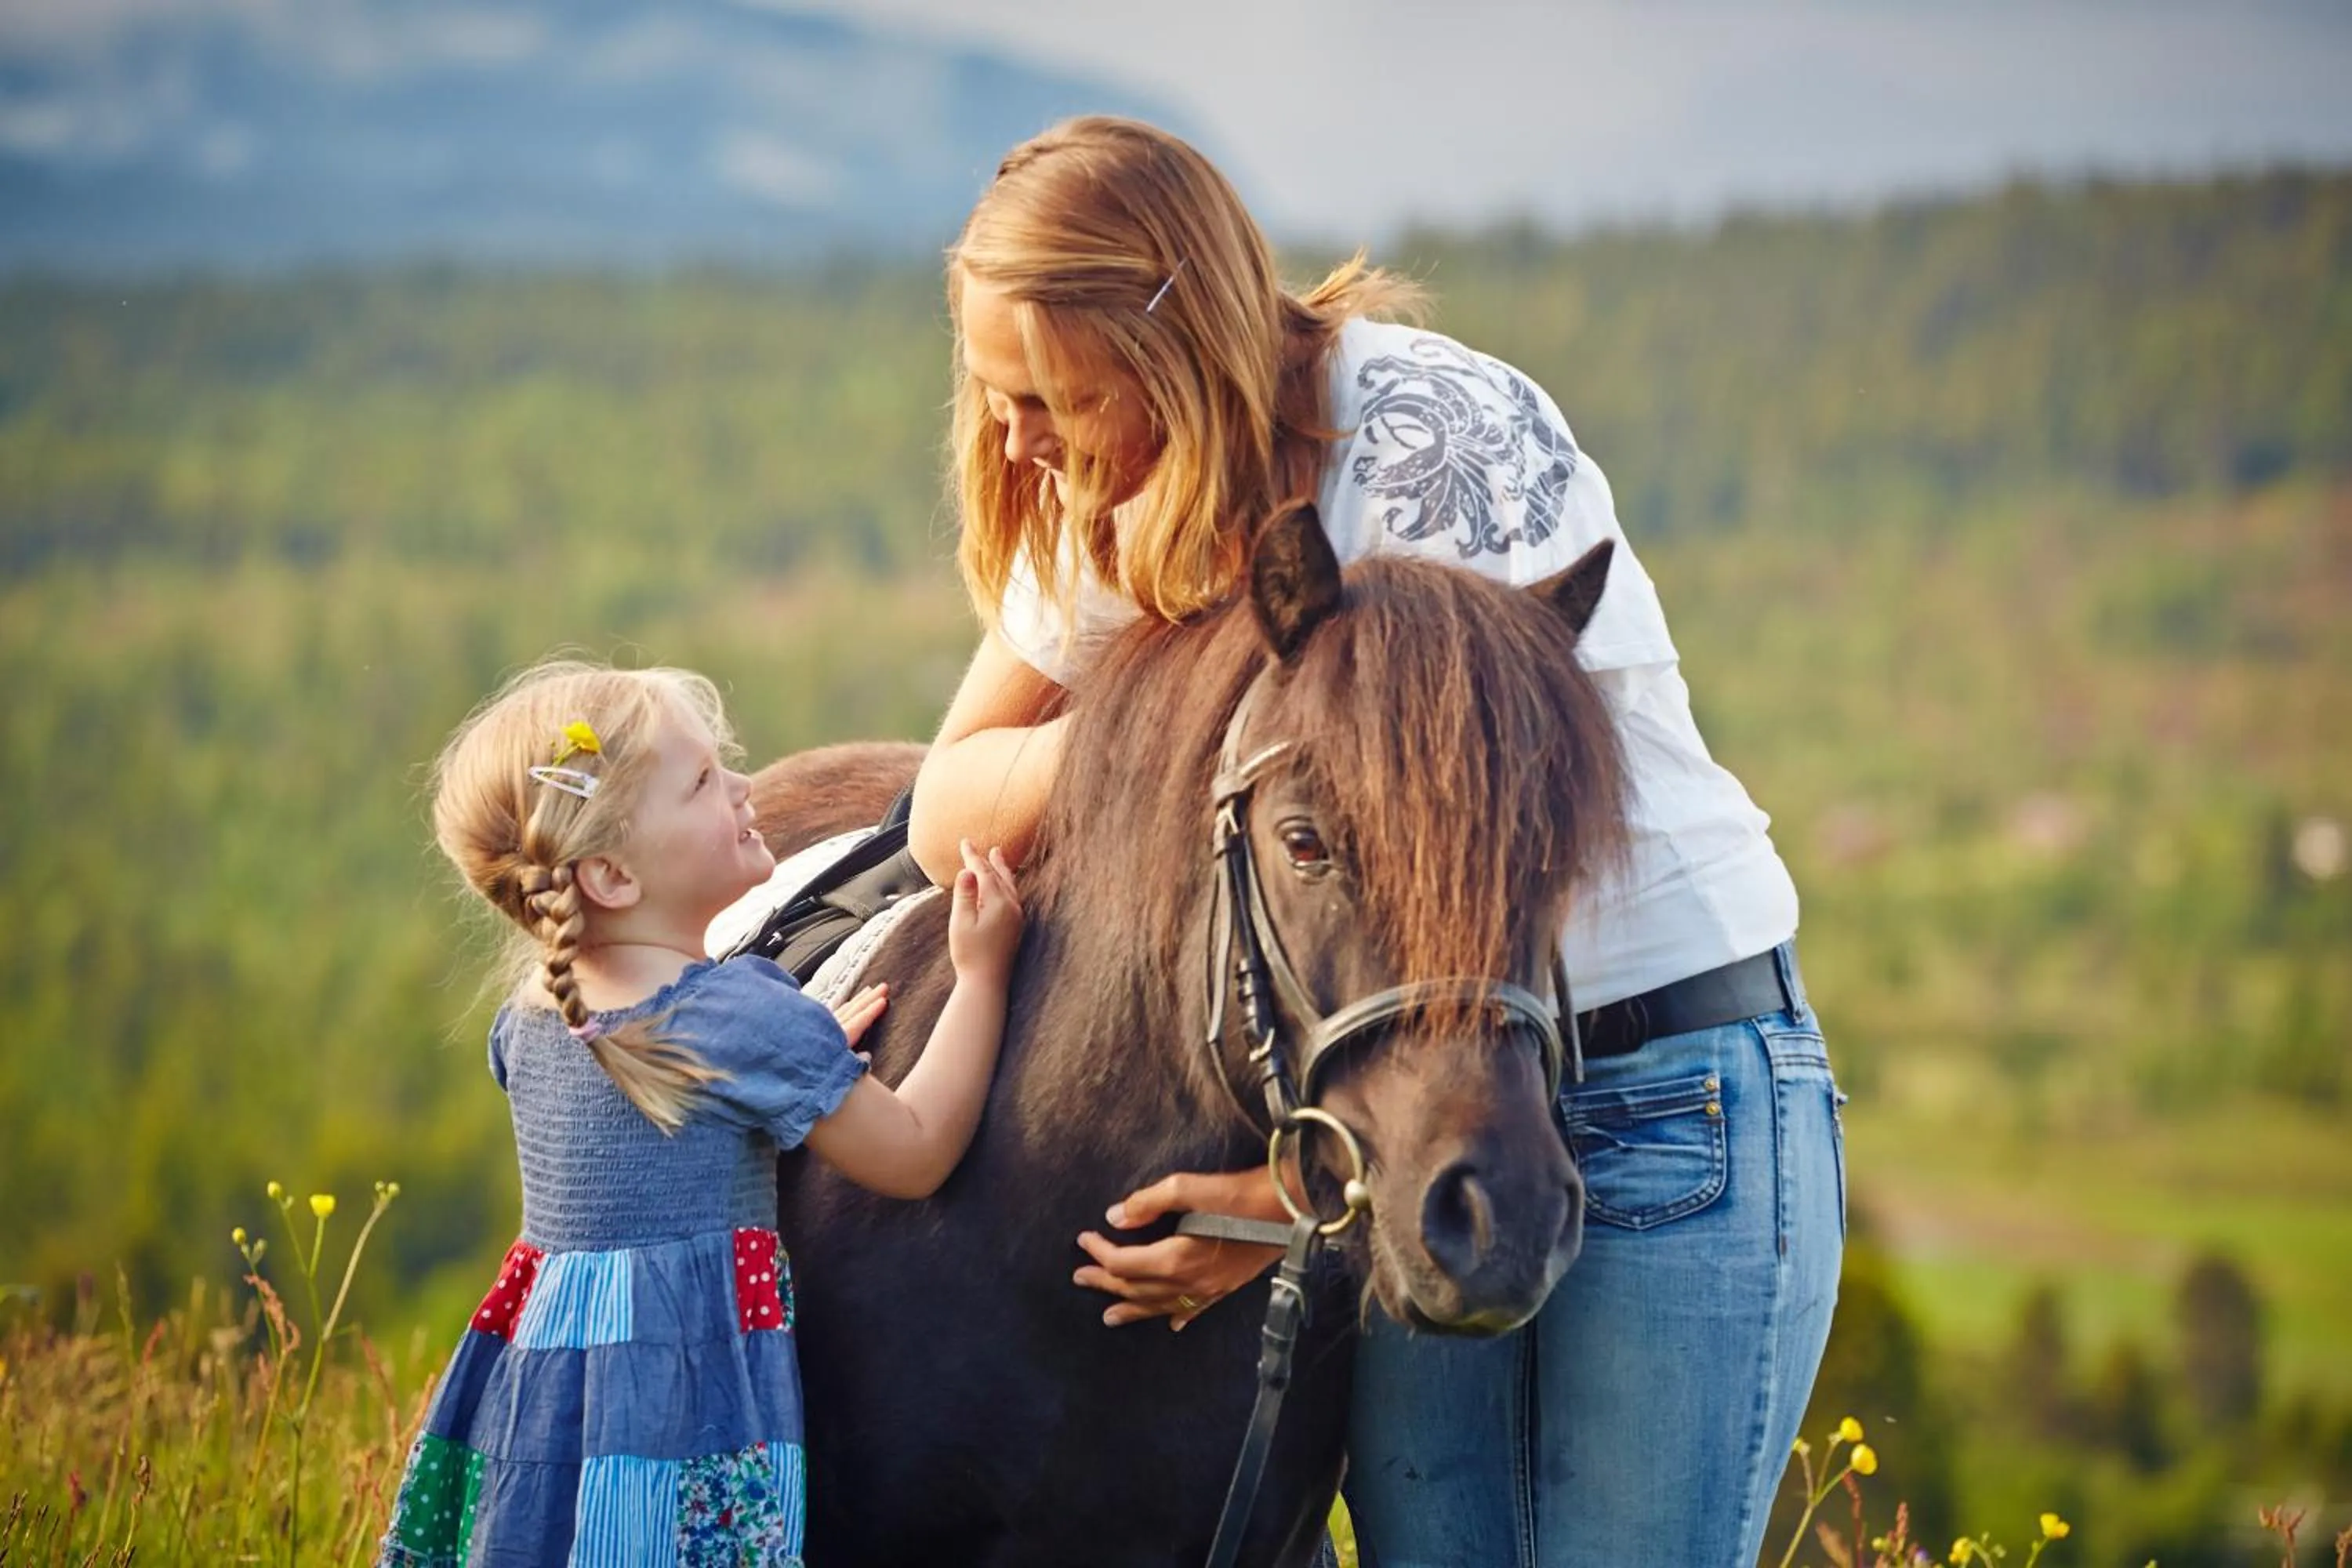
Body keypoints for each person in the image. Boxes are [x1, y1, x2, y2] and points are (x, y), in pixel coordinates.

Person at [906, 117, 1845, 1566]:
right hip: (1410, 1120)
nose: (1022, 439)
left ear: (1169, 342)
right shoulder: (1118, 492)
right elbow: (947, 803)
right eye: (996, 392)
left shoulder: (1422, 436)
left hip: (1664, 1095)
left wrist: (1293, 1197)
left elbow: (1451, 863)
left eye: (1057, 397)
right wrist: (1171, 719)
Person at [379, 658, 1022, 1567]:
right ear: (610, 873)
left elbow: (660, 1105)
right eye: (702, 782)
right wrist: (984, 974)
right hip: (685, 1409)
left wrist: (788, 1061)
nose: (744, 785)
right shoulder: (736, 1017)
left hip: (544, 1403)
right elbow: (916, 1150)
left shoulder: (531, 1018)